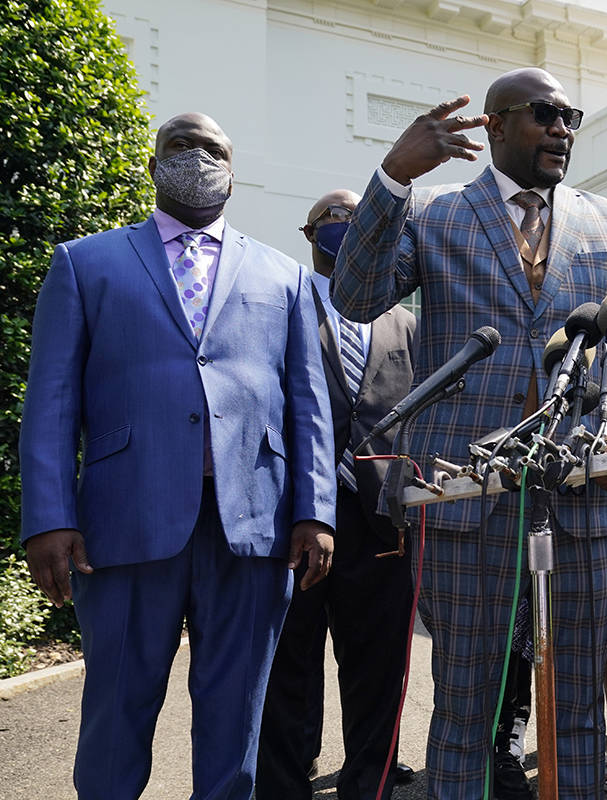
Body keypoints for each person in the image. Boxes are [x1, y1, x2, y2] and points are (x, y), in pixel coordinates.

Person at [331, 68, 607, 800]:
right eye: (544, 114)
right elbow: (355, 297)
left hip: (585, 497)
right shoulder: (434, 213)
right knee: (466, 708)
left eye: (570, 115)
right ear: (494, 124)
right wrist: (392, 177)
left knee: (575, 705)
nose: (562, 129)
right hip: (464, 496)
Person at [19, 112, 336, 799]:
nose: (196, 157)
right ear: (154, 163)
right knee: (116, 716)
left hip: (252, 531)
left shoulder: (283, 275)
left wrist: (317, 513)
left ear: (234, 167)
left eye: (212, 147)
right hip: (123, 528)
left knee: (235, 727)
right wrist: (47, 517)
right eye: (180, 145)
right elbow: (49, 401)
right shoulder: (86, 263)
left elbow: (307, 405)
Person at [257, 190, 419, 799]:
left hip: (381, 517)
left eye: (359, 217)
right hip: (296, 514)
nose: (348, 226)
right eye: (334, 217)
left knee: (378, 665)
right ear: (308, 233)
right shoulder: (282, 305)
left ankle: (368, 779)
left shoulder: (409, 319)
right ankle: (283, 779)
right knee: (290, 660)